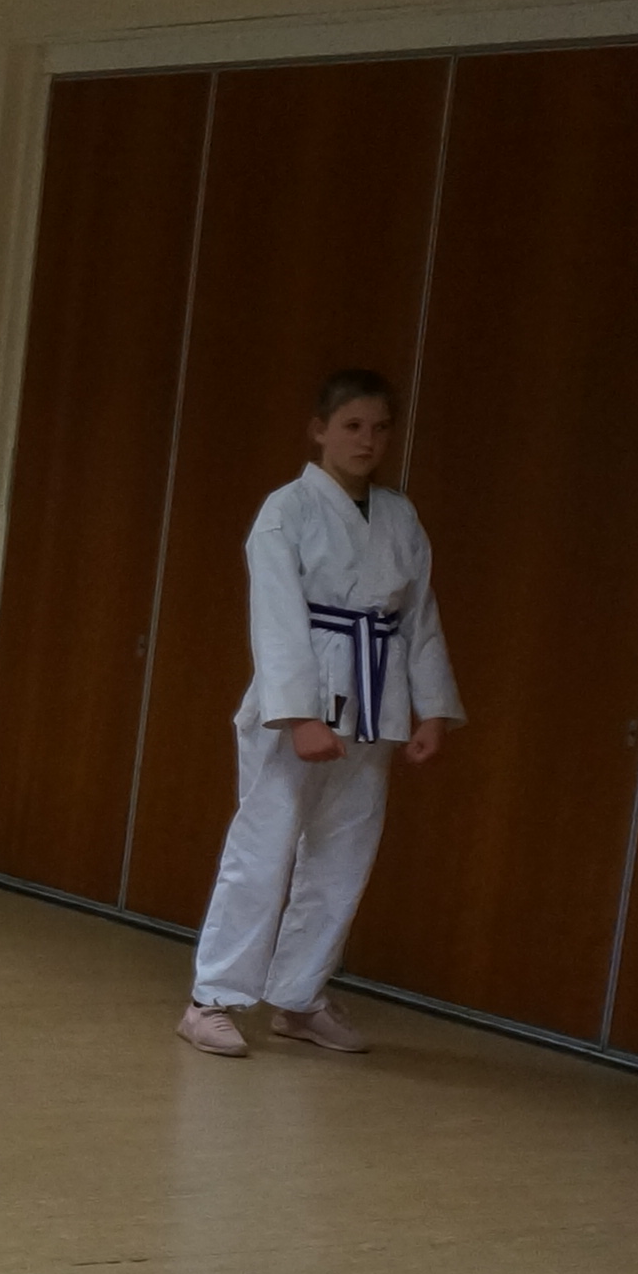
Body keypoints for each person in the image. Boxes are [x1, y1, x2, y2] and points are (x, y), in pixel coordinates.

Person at [183, 369, 459, 1058]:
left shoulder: (399, 516)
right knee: (264, 847)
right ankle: (212, 997)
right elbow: (276, 618)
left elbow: (419, 616)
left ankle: (299, 996)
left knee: (344, 856)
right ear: (319, 431)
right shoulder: (288, 510)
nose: (367, 441)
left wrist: (431, 708)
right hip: (304, 698)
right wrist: (300, 716)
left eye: (380, 428)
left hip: (375, 696)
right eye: (352, 426)